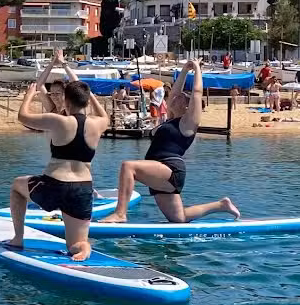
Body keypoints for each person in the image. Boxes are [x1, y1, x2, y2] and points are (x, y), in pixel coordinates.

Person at [100, 60, 240, 224]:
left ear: (188, 107)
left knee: (128, 166)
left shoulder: (188, 123)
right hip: (159, 171)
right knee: (178, 218)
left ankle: (120, 213)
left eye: (181, 98)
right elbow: (174, 92)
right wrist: (184, 70)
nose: (174, 97)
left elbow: (196, 92)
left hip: (170, 169)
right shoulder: (169, 120)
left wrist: (196, 68)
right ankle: (221, 205)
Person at [7, 80, 109, 261]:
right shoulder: (98, 124)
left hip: (55, 184)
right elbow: (105, 116)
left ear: (67, 102)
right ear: (86, 101)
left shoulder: (59, 121)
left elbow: (23, 116)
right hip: (83, 189)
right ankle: (83, 246)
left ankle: (17, 238)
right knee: (73, 245)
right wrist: (90, 95)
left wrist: (29, 94)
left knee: (17, 186)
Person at [37, 49, 79, 115]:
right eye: (52, 93)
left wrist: (63, 63)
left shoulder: (70, 111)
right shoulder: (52, 109)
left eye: (57, 93)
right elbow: (39, 85)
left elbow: (77, 83)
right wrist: (52, 63)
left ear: (65, 94)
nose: (54, 96)